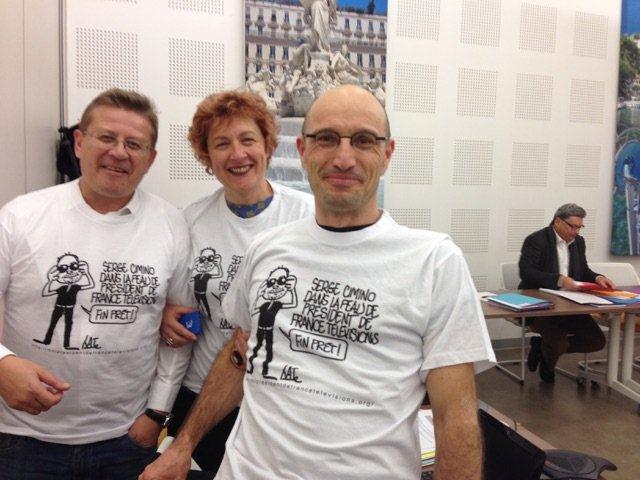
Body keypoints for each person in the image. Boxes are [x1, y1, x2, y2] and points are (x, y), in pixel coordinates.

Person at [141, 85, 495, 480]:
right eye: (326, 139)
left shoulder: (434, 262)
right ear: (303, 150)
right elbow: (239, 355)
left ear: (387, 153)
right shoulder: (266, 249)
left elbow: (455, 418)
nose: (343, 158)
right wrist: (183, 444)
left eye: (363, 140)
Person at [0, 88, 194, 479]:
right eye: (106, 137)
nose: (119, 152)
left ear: (150, 158)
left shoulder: (171, 224)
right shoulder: (21, 216)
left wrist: (157, 413)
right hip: (23, 440)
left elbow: (182, 331)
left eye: (134, 144)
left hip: (125, 441)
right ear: (79, 142)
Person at [156, 90, 313, 473]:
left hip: (279, 397)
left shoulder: (307, 216)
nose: (237, 154)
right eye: (222, 144)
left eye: (247, 140)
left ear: (268, 146)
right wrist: (163, 317)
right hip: (202, 397)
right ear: (206, 156)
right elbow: (176, 305)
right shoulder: (189, 221)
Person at [519, 203, 615, 383]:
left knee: (596, 341)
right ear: (557, 221)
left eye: (579, 227)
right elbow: (527, 272)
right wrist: (559, 280)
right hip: (540, 304)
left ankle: (542, 348)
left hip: (571, 303)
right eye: (573, 226)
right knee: (558, 343)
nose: (576, 231)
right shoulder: (536, 240)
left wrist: (598, 277)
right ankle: (549, 358)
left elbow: (583, 270)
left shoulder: (578, 242)